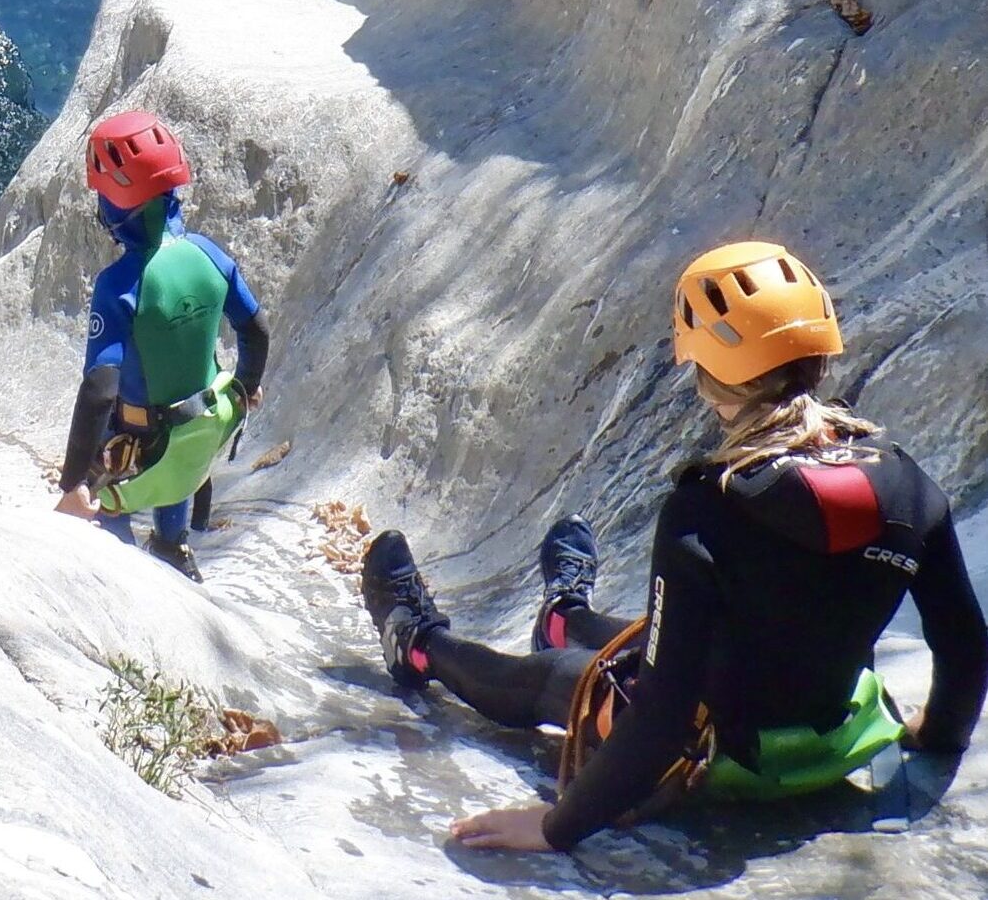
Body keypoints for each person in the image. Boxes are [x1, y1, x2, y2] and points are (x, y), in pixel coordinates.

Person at [359, 240, 988, 854]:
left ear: (712, 378)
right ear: (820, 359)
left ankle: (417, 643)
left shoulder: (708, 509)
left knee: (552, 678)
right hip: (838, 744)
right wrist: (936, 739)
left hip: (726, 760)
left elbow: (662, 717)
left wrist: (557, 827)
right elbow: (965, 646)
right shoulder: (909, 485)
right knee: (681, 631)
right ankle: (564, 616)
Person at [53, 110, 270, 582]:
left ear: (116, 204)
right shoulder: (209, 253)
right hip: (206, 431)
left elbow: (99, 390)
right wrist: (249, 385)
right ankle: (173, 546)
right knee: (180, 460)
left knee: (117, 479)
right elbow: (256, 330)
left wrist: (72, 486)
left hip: (145, 448)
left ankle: (126, 567)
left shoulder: (119, 285)